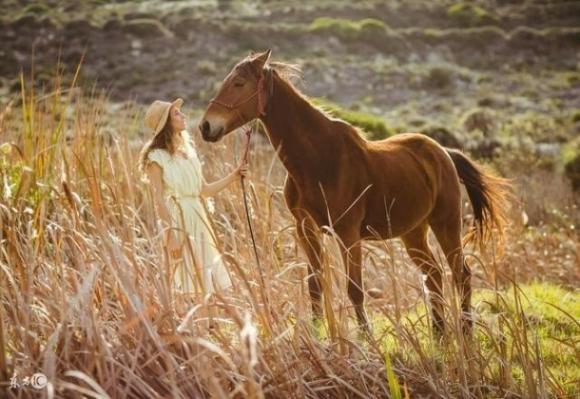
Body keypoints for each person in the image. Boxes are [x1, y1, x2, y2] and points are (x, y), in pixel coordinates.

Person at [138, 98, 247, 319]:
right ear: (166, 123)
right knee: (184, 276)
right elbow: (158, 199)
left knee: (205, 275)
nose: (183, 115)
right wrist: (170, 234)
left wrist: (234, 176)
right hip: (177, 218)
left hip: (198, 216)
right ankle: (185, 328)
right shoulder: (155, 157)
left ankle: (208, 326)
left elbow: (204, 190)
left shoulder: (189, 151)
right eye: (176, 114)